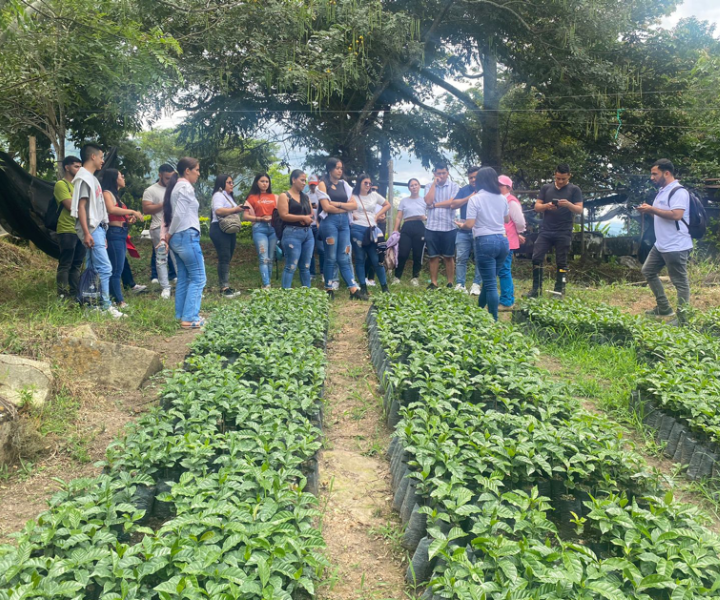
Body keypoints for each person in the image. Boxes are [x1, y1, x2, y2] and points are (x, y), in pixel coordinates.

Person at [71, 144, 125, 318]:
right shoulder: (84, 178)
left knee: (93, 268)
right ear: (93, 157)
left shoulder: (91, 178)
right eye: (101, 157)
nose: (103, 160)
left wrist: (103, 229)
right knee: (105, 267)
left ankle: (90, 306)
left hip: (98, 229)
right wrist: (88, 233)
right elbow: (81, 207)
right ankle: (106, 305)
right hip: (92, 229)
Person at [638, 159, 693, 326]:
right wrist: (647, 211)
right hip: (661, 244)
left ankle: (683, 320)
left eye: (655, 173)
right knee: (648, 271)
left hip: (675, 245)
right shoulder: (662, 191)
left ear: (666, 173)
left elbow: (676, 214)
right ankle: (663, 307)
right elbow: (660, 215)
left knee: (680, 283)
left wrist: (652, 209)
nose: (652, 177)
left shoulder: (678, 192)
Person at [456, 167, 509, 321]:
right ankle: (479, 311)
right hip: (502, 241)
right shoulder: (502, 198)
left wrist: (461, 225)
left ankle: (493, 320)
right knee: (489, 280)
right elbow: (506, 220)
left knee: (491, 284)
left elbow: (470, 224)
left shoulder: (476, 198)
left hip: (485, 242)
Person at [527, 164, 583, 298]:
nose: (561, 181)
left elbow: (580, 209)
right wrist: (547, 206)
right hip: (546, 230)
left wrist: (568, 204)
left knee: (561, 261)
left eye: (563, 179)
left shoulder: (575, 190)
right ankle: (536, 289)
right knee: (536, 257)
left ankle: (559, 290)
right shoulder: (546, 188)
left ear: (569, 175)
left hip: (564, 231)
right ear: (554, 175)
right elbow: (537, 207)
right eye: (558, 178)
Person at [164, 157, 206, 329]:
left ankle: (181, 315)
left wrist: (171, 235)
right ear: (187, 171)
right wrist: (169, 233)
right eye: (196, 169)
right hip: (186, 235)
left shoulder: (176, 187)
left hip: (179, 237)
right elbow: (180, 214)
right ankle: (190, 318)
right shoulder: (185, 187)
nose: (198, 173)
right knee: (199, 278)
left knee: (184, 277)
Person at [317, 157, 364, 300]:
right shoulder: (323, 184)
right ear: (330, 169)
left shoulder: (345, 185)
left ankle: (353, 289)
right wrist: (344, 207)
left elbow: (354, 205)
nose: (340, 171)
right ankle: (328, 288)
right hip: (329, 223)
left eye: (341, 168)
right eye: (337, 168)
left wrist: (336, 205)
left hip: (344, 224)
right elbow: (325, 207)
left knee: (344, 255)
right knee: (330, 257)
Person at [433, 166, 482, 294]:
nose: (473, 179)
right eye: (470, 177)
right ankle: (460, 284)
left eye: (475, 177)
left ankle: (477, 284)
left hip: (480, 229)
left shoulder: (485, 190)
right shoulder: (464, 190)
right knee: (461, 258)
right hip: (463, 229)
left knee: (479, 258)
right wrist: (469, 197)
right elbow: (453, 204)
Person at [101, 169, 143, 308]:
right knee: (116, 269)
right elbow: (111, 210)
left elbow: (118, 213)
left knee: (118, 267)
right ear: (114, 178)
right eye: (121, 176)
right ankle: (119, 301)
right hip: (114, 233)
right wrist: (132, 211)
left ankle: (115, 298)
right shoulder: (107, 193)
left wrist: (128, 219)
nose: (123, 178)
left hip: (121, 232)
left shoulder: (116, 195)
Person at [350, 174, 391, 295]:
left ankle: (385, 288)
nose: (368, 185)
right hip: (357, 228)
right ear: (359, 183)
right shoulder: (353, 196)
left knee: (376, 259)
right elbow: (346, 208)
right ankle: (363, 287)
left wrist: (377, 216)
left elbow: (387, 204)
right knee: (360, 258)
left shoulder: (374, 195)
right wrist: (351, 215)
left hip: (371, 230)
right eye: (365, 183)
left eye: (369, 183)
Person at [54, 155, 86, 300]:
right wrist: (80, 202)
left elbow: (85, 206)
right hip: (67, 229)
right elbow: (70, 206)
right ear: (67, 167)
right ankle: (62, 294)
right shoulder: (61, 185)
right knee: (65, 263)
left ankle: (75, 293)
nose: (79, 169)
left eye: (80, 166)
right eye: (76, 166)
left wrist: (76, 198)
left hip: (81, 229)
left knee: (77, 264)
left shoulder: (79, 185)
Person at [424, 163, 459, 289]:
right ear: (435, 174)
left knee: (449, 256)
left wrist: (434, 205)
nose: (441, 176)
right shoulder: (429, 186)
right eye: (439, 173)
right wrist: (434, 184)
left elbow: (452, 202)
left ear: (447, 173)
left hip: (449, 226)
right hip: (431, 226)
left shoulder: (454, 186)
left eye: (444, 173)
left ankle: (450, 282)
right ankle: (434, 283)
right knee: (433, 256)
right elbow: (428, 201)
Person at [277, 170, 315, 289]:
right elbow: (284, 215)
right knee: (291, 265)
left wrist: (307, 218)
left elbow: (311, 212)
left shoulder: (306, 197)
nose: (304, 183)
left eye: (305, 180)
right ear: (293, 180)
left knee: (306, 266)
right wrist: (301, 217)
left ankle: (307, 293)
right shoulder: (285, 196)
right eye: (302, 180)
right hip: (291, 233)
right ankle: (285, 293)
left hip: (307, 233)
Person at [143, 164, 176, 299]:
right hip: (158, 229)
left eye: (171, 178)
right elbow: (146, 210)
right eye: (167, 178)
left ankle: (181, 283)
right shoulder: (150, 190)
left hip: (175, 228)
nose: (169, 181)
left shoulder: (175, 189)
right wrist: (165, 203)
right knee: (161, 258)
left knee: (178, 257)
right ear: (160, 175)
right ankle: (165, 287)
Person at [209, 174, 242, 298]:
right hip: (219, 228)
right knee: (224, 257)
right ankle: (224, 288)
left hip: (229, 230)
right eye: (229, 182)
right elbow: (218, 210)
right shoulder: (218, 195)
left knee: (227, 257)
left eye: (232, 182)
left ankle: (225, 285)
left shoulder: (228, 196)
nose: (232, 184)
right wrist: (235, 210)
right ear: (222, 183)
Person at [243, 173, 277, 290]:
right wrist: (260, 218)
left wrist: (272, 218)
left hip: (273, 229)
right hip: (259, 228)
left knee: (271, 258)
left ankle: (268, 282)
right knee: (263, 258)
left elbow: (280, 214)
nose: (264, 184)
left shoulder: (275, 197)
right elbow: (245, 216)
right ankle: (266, 284)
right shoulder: (251, 198)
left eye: (267, 181)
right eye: (262, 181)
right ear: (257, 182)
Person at [498, 175, 526, 310]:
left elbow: (520, 221)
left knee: (504, 270)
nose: (497, 187)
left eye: (500, 185)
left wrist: (518, 232)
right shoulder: (500, 200)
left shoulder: (511, 202)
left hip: (507, 241)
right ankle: (505, 298)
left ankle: (507, 301)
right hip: (501, 239)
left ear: (508, 187)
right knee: (501, 270)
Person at [392, 178, 426, 285]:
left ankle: (415, 277)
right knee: (403, 253)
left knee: (417, 253)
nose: (414, 187)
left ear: (419, 186)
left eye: (416, 184)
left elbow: (429, 216)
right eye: (412, 185)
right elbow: (398, 217)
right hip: (406, 227)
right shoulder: (404, 201)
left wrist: (424, 218)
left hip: (419, 227)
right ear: (409, 188)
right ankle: (397, 277)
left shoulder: (424, 200)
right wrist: (395, 231)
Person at [307, 175, 327, 278]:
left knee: (321, 249)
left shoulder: (322, 194)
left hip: (319, 224)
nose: (313, 187)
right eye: (311, 185)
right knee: (310, 250)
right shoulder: (306, 195)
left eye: (314, 185)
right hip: (309, 225)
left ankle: (323, 272)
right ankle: (312, 272)